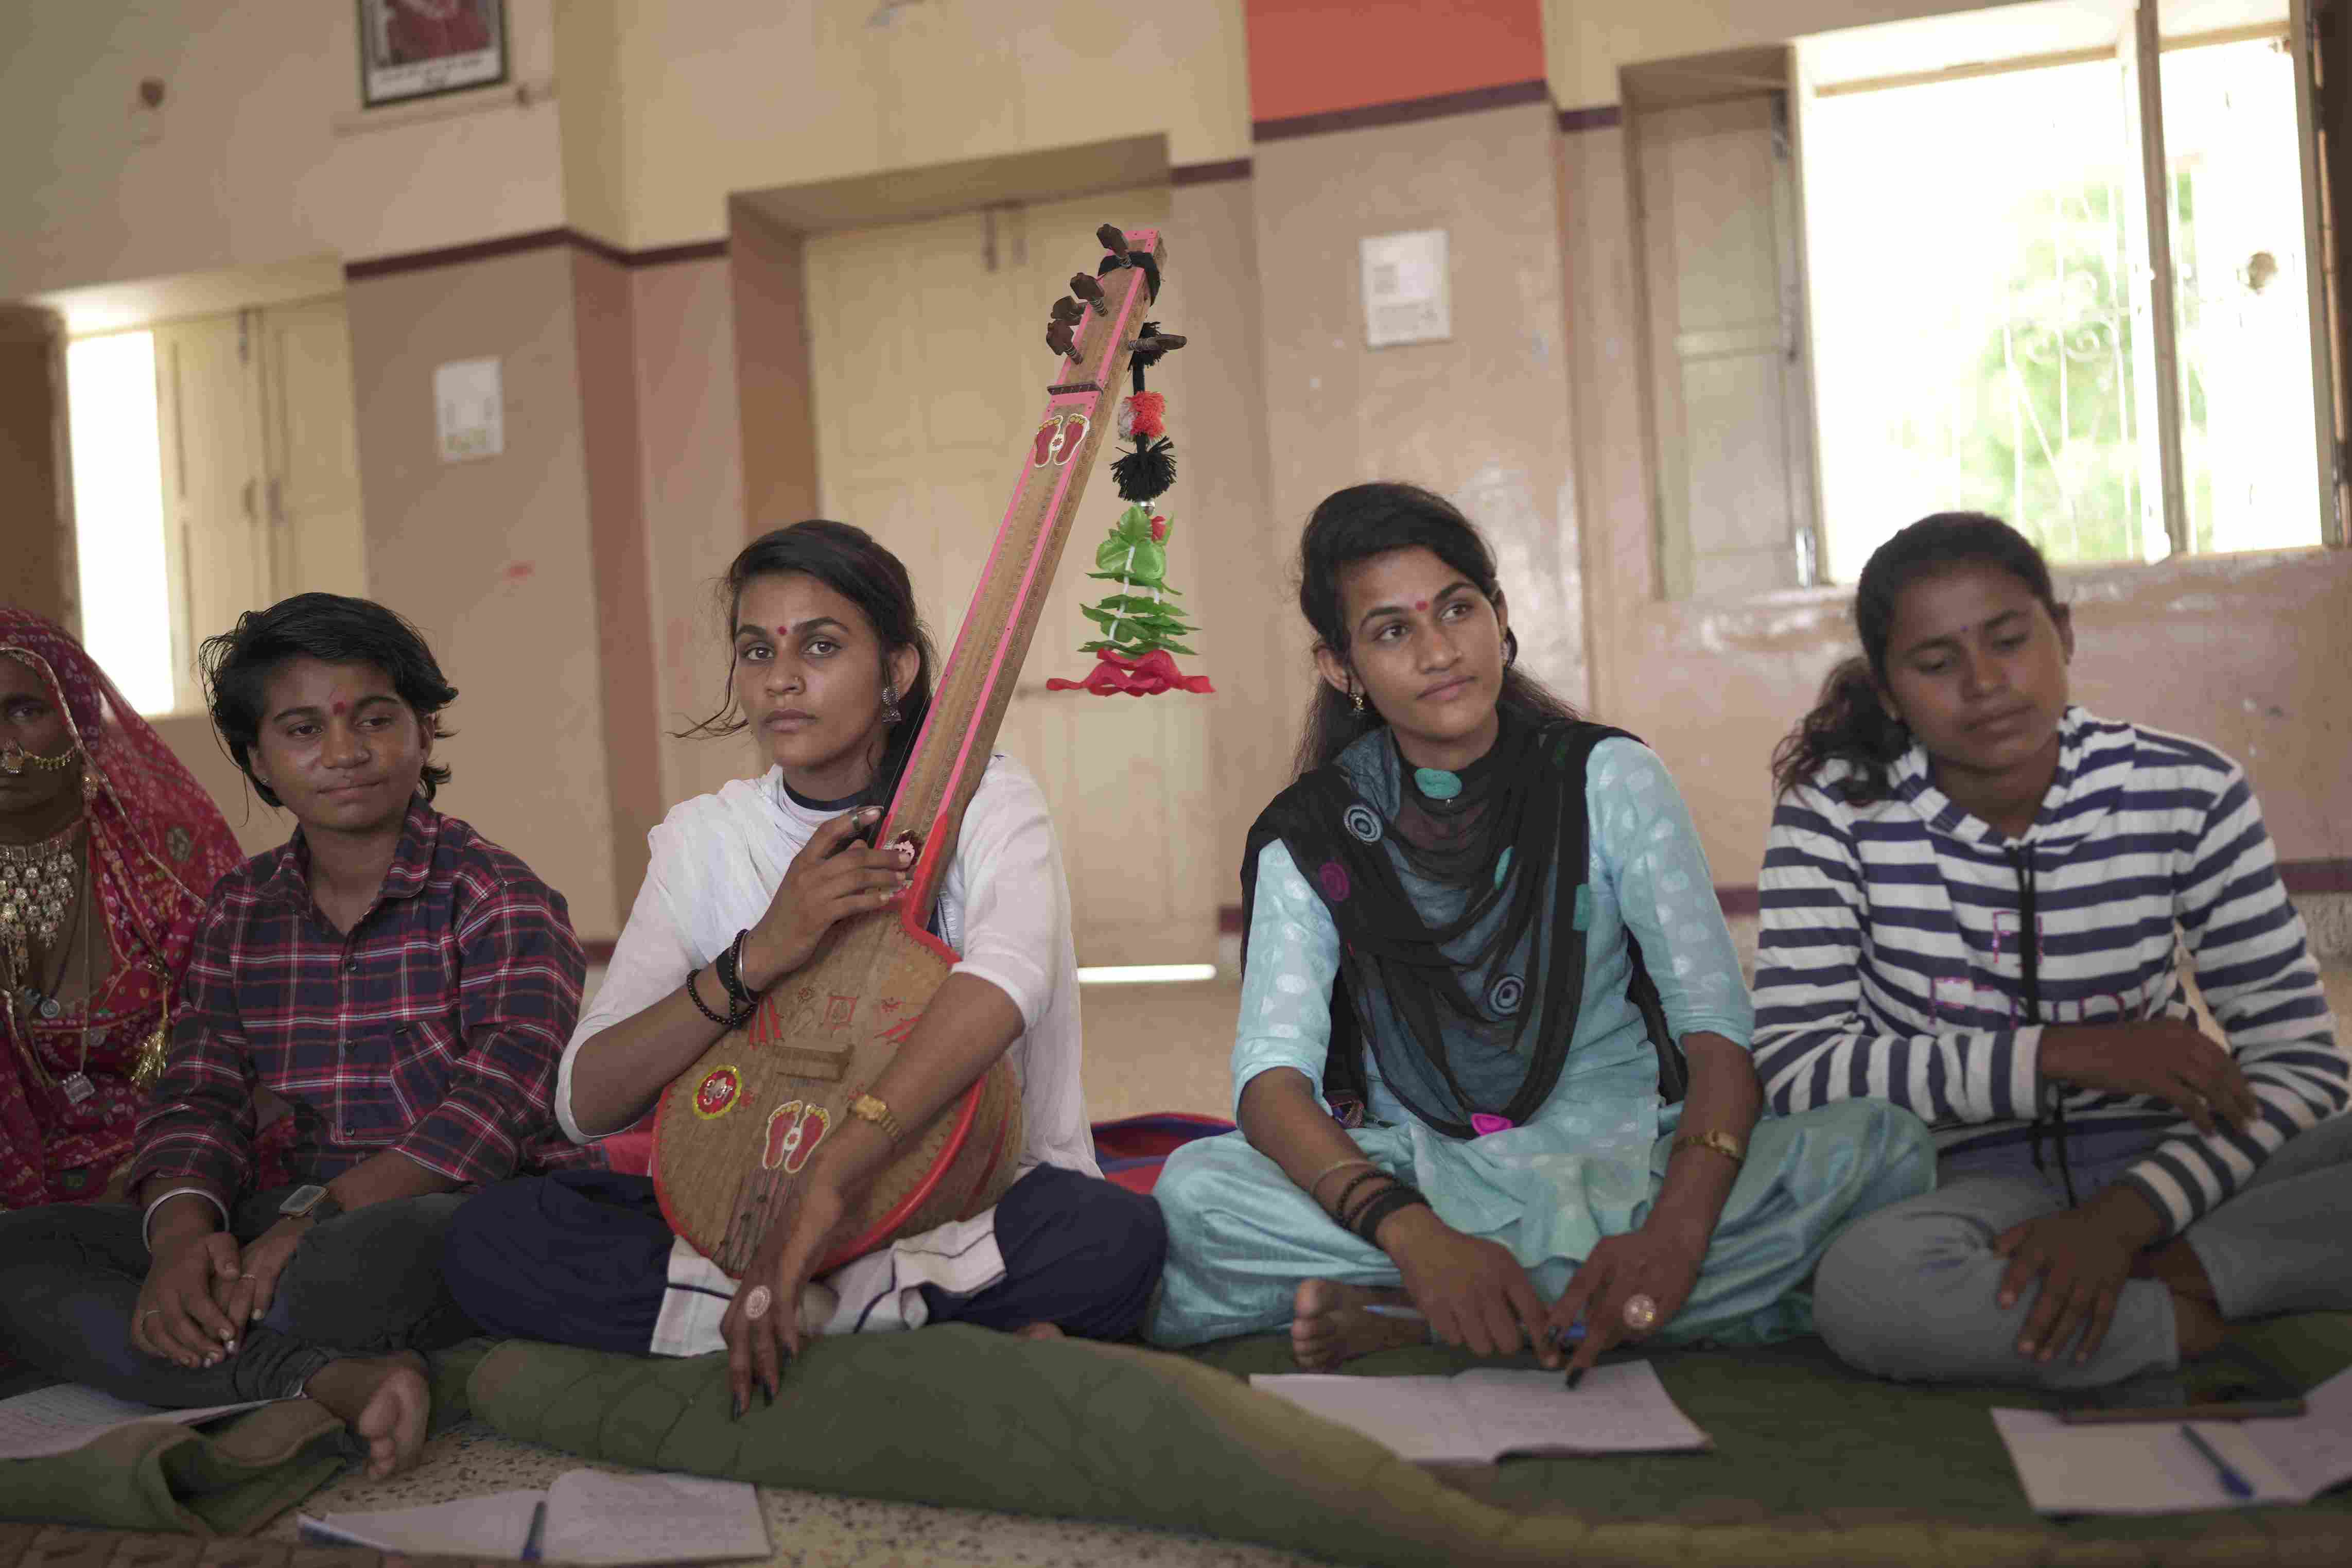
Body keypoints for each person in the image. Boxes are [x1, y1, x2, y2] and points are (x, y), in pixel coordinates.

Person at [1146, 483, 1932, 1373]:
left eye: (1456, 608)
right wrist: (1411, 1236)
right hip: (1426, 1178)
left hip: (1626, 1159)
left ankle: (1430, 1317)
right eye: (1392, 630)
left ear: (1499, 615)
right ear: (1341, 668)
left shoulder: (1608, 778)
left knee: (1881, 1146)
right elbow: (1270, 1081)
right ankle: (1554, 1303)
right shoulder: (1314, 836)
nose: (1440, 651)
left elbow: (1716, 1029)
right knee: (1196, 1194)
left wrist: (1672, 1236)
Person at [441, 521, 1166, 1417]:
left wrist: (826, 1184)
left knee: (1112, 1238)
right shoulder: (705, 840)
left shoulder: (982, 796)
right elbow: (585, 1102)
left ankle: (774, 1324)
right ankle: (886, 1329)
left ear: (896, 671)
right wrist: (760, 954)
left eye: (820, 645)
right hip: (741, 1211)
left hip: (960, 1202)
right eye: (756, 649)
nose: (780, 677)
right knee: (495, 1236)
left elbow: (1007, 980)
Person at [0, 594, 593, 1478]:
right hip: (286, 1208)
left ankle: (258, 1360)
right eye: (303, 729)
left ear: (425, 733)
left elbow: (492, 1112)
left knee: (324, 1281)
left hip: (435, 1213)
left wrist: (301, 1228)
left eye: (376, 719)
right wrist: (179, 1241)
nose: (344, 753)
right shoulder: (242, 910)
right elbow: (199, 1095)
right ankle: (322, 1378)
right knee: (20, 1252)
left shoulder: (500, 897)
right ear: (259, 761)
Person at [1754, 513, 2349, 1388]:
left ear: (2060, 634)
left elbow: (2301, 1067)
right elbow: (1795, 1067)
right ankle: (2186, 1316)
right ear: (1886, 691)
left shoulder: (2184, 790)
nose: (1985, 683)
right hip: (1961, 1192)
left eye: (2008, 640)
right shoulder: (1834, 814)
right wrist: (2059, 1054)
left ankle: (2158, 1282)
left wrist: (2123, 1220)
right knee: (1862, 1288)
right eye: (1934, 663)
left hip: (2175, 1169)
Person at [0, 610, 242, 1210]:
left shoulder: (169, 860)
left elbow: (250, 1051)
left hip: (175, 1166)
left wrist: (165, 1180)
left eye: (25, 711)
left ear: (80, 719)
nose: (2, 745)